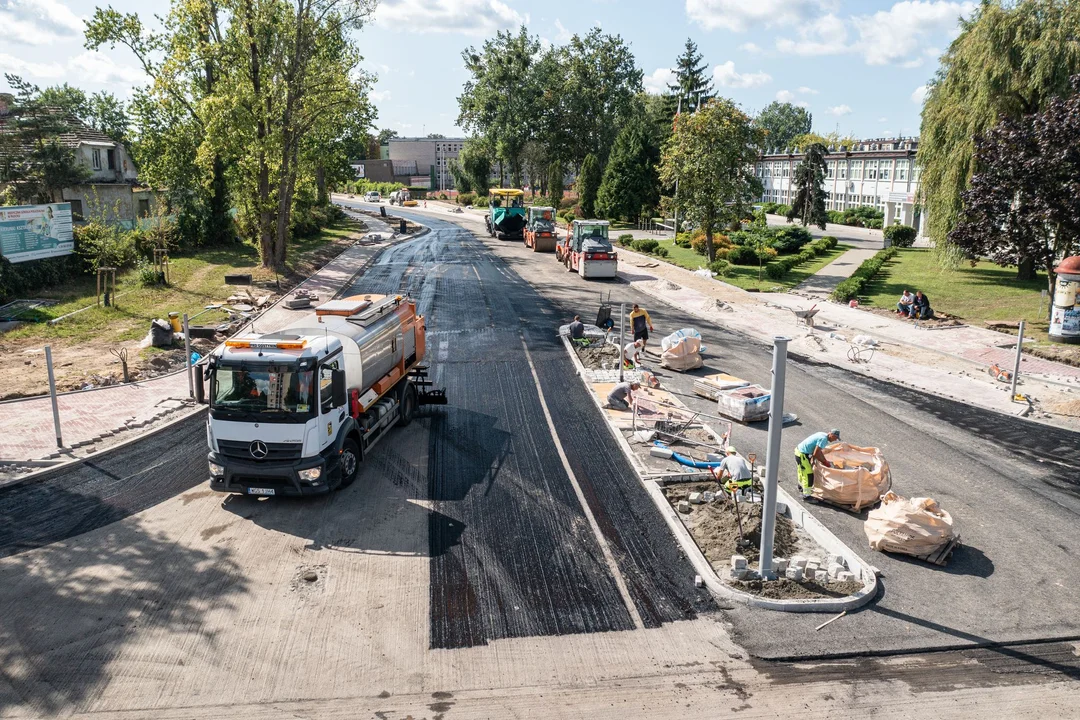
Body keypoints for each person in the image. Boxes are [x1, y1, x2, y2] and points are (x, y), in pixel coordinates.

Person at [794, 429, 841, 499]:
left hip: (798, 451)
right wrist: (825, 462)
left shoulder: (822, 434)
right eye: (835, 438)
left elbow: (818, 451)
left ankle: (801, 486)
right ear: (831, 435)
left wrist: (824, 460)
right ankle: (806, 496)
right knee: (808, 475)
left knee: (802, 471)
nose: (835, 440)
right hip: (802, 454)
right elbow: (816, 453)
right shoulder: (823, 440)